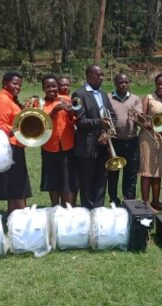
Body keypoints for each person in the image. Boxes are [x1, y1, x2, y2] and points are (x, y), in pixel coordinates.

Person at [72, 64, 117, 209]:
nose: (102, 78)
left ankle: (99, 209)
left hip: (103, 144)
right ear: (89, 76)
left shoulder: (103, 94)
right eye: (99, 75)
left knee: (101, 179)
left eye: (103, 75)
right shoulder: (78, 95)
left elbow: (113, 116)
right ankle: (88, 211)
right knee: (86, 181)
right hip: (87, 146)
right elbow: (80, 121)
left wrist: (106, 132)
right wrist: (100, 123)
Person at [0, 72, 31, 214]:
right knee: (17, 186)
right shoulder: (3, 100)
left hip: (15, 145)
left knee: (17, 186)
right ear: (5, 83)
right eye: (14, 83)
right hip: (10, 147)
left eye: (20, 85)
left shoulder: (11, 99)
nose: (18, 87)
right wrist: (20, 129)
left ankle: (14, 216)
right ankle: (21, 217)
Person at [40, 75, 77, 207]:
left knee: (67, 181)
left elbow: (75, 121)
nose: (52, 89)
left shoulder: (67, 99)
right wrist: (52, 112)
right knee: (53, 181)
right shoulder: (40, 104)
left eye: (54, 86)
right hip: (49, 147)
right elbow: (38, 124)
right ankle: (55, 208)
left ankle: (67, 209)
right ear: (43, 88)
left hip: (67, 146)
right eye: (48, 86)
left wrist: (71, 112)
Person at [139, 74, 162, 211]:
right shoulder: (148, 98)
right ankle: (145, 202)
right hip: (148, 138)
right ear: (155, 84)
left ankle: (156, 201)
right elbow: (141, 119)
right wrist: (155, 127)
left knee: (158, 171)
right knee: (147, 171)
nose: (161, 86)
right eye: (158, 84)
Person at [107, 73, 142, 205]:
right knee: (113, 173)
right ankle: (113, 199)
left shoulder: (136, 99)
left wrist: (136, 118)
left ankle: (129, 201)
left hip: (131, 141)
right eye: (121, 82)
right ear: (115, 83)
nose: (124, 85)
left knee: (131, 174)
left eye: (126, 82)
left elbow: (140, 119)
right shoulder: (108, 98)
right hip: (114, 141)